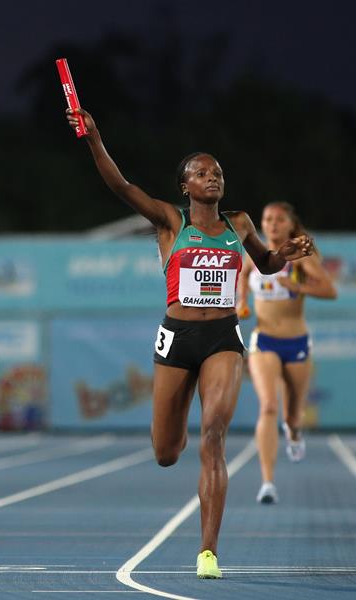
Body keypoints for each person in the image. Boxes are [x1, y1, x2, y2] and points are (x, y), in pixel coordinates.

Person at [66, 107, 313, 578]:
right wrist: (94, 138)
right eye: (201, 173)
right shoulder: (169, 221)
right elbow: (121, 187)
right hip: (176, 339)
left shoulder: (239, 223)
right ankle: (174, 443)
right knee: (166, 451)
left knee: (214, 437)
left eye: (217, 172)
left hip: (222, 335)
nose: (212, 177)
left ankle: (208, 552)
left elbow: (264, 265)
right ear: (186, 186)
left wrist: (284, 254)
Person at [236, 202, 337, 505]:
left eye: (279, 220)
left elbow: (329, 291)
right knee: (268, 406)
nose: (272, 224)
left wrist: (295, 285)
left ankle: (293, 434)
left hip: (296, 343)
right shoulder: (254, 255)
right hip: (264, 340)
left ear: (290, 225)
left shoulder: (299, 257)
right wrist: (242, 302)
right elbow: (242, 277)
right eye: (267, 219)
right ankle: (267, 482)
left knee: (292, 416)